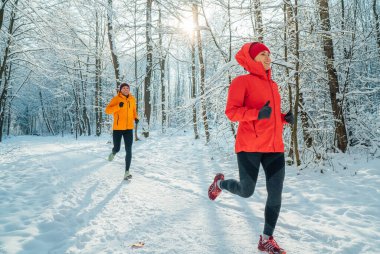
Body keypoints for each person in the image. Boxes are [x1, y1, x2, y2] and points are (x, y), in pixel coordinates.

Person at [208, 42, 293, 254]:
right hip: (250, 147)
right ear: (251, 59)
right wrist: (256, 113)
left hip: (274, 148)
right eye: (262, 54)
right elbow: (232, 112)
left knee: (276, 194)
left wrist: (283, 118)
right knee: (246, 191)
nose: (267, 57)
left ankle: (266, 239)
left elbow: (269, 116)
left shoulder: (273, 86)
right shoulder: (241, 82)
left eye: (269, 54)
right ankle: (219, 183)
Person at [105, 83, 139, 180]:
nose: (126, 89)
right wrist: (118, 107)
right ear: (120, 90)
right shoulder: (116, 99)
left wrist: (136, 118)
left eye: (127, 88)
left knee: (129, 149)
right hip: (118, 128)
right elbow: (107, 110)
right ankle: (113, 152)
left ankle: (127, 172)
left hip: (129, 128)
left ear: (129, 89)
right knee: (117, 148)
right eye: (123, 88)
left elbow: (133, 111)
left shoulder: (132, 99)